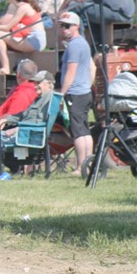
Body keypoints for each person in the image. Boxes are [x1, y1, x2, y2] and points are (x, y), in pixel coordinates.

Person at [0, 70, 56, 177]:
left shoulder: (49, 98)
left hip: (27, 136)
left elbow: (38, 123)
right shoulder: (38, 99)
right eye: (34, 83)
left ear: (49, 84)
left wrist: (16, 129)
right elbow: (21, 115)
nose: (35, 86)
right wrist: (6, 120)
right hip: (22, 133)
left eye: (38, 83)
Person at [57, 11, 94, 174]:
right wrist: (88, 85)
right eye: (61, 26)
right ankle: (88, 164)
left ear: (76, 26)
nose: (63, 29)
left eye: (67, 26)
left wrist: (61, 93)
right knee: (84, 129)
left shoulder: (74, 45)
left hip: (75, 93)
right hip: (84, 92)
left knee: (78, 130)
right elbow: (92, 67)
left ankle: (80, 167)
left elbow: (71, 72)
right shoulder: (83, 43)